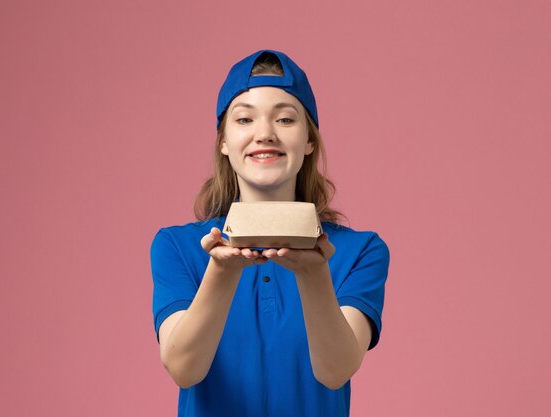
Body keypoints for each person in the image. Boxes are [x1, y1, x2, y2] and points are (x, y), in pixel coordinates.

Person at [151, 49, 390, 417]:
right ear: (224, 142)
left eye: (285, 119)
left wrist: (313, 274)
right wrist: (222, 272)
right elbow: (184, 369)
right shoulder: (177, 247)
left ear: (309, 140)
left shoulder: (361, 250)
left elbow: (336, 371)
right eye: (245, 119)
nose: (265, 134)